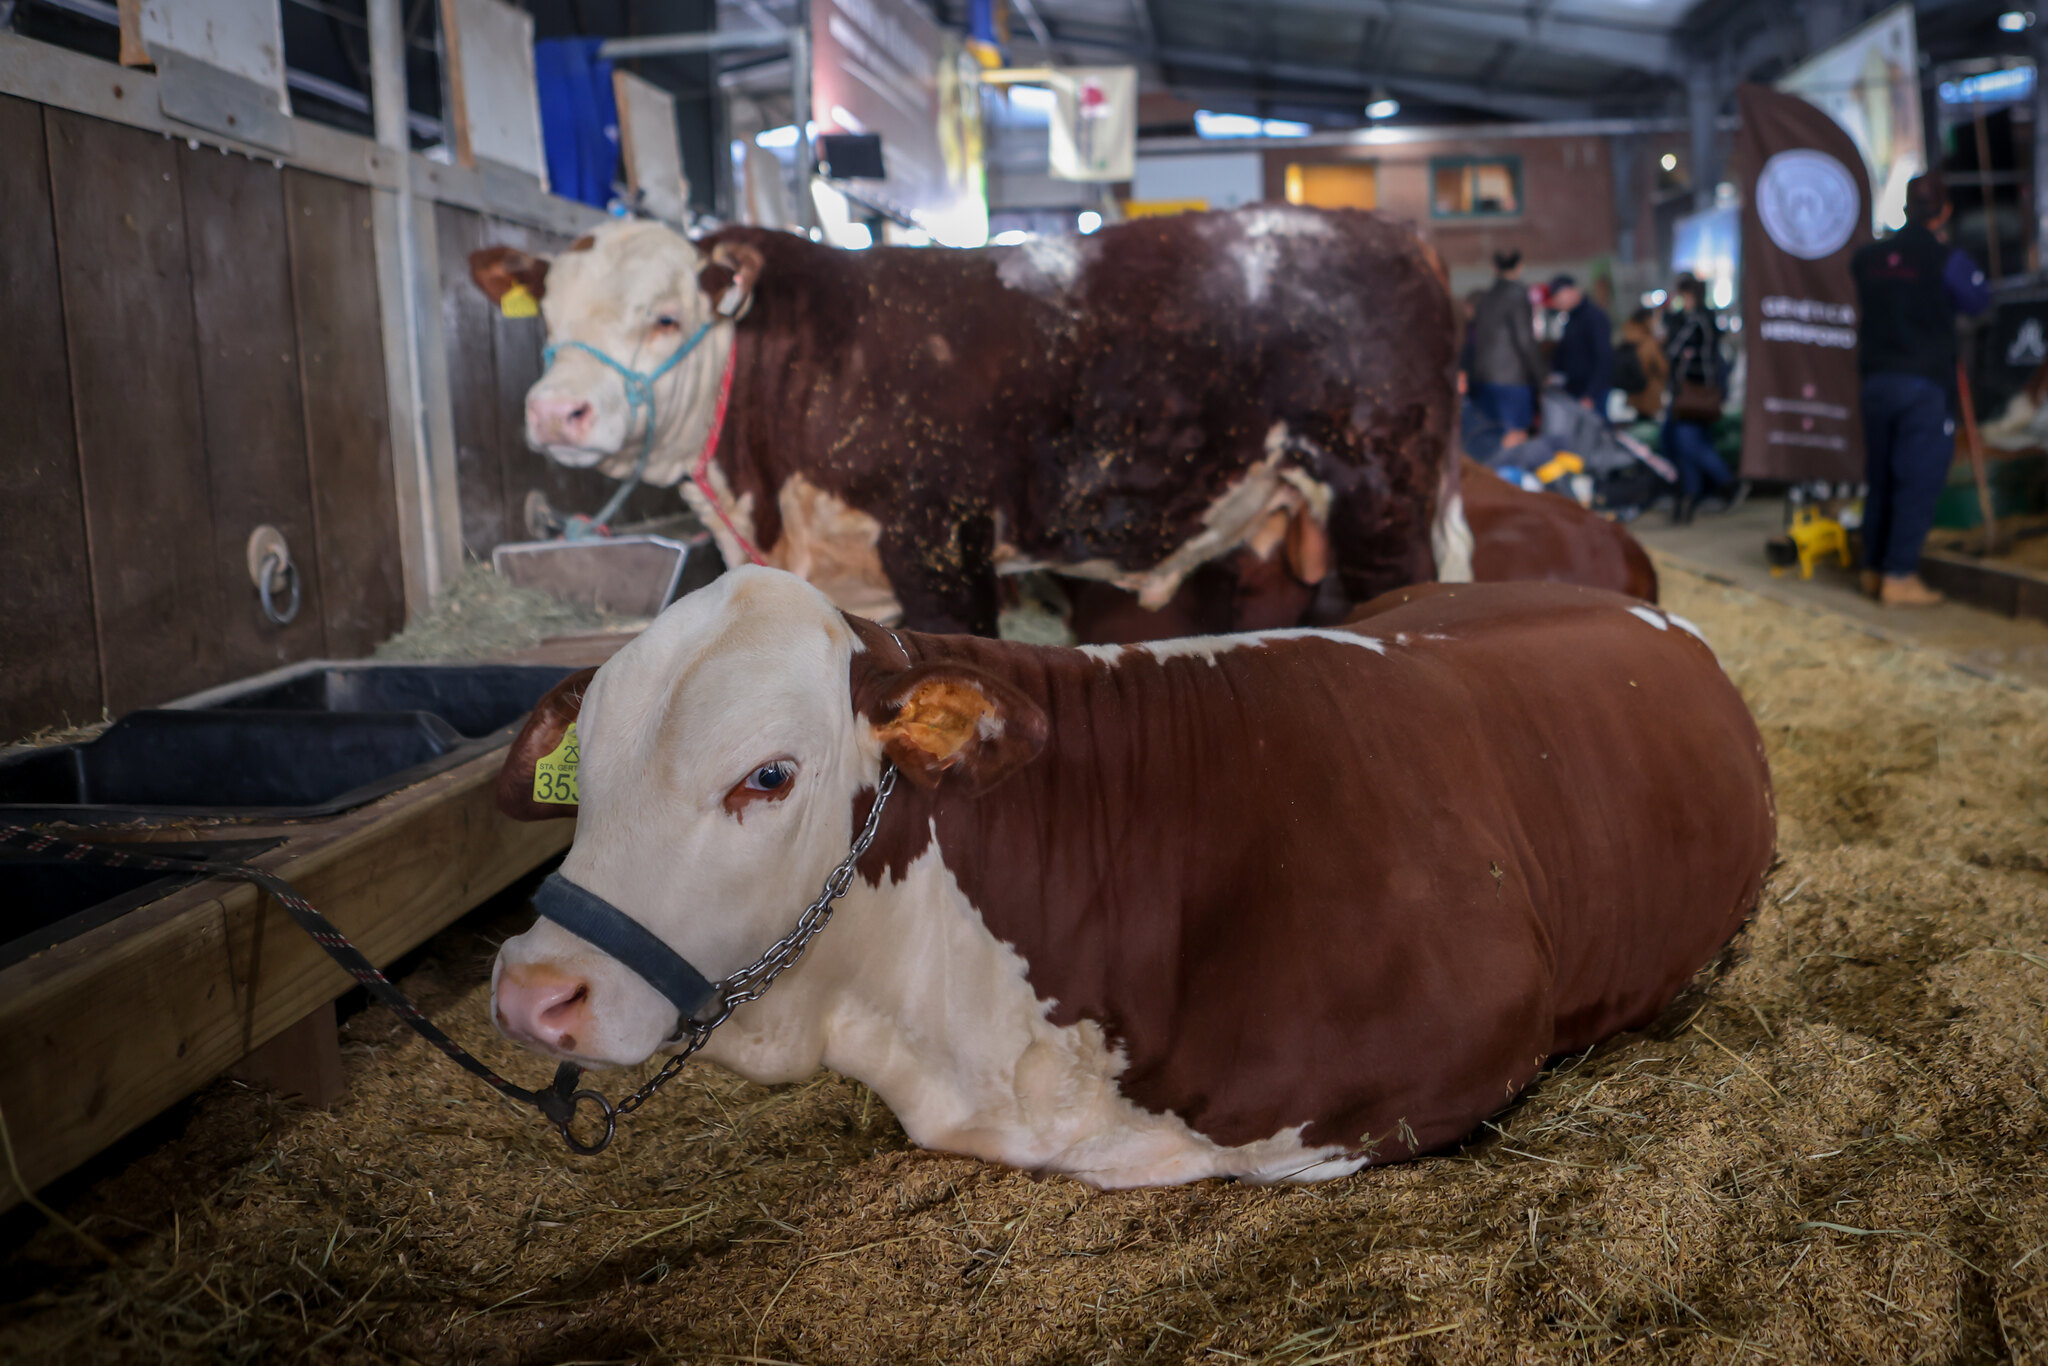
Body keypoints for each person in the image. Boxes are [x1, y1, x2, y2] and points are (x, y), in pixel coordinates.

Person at [1851, 174, 1994, 606]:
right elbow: (1979, 302)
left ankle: (1873, 570)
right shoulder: (1946, 259)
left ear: (1906, 208)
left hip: (1875, 382)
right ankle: (1899, 576)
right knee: (1916, 479)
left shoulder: (1867, 258)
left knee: (1881, 478)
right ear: (1944, 211)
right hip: (1922, 384)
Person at [1661, 274, 1738, 523]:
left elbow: (1671, 350)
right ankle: (1690, 498)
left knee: (1689, 445)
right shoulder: (1709, 319)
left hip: (1692, 394)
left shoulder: (1695, 321)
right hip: (1704, 394)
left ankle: (1726, 482)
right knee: (1692, 445)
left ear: (1688, 295)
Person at [1467, 249, 1545, 437]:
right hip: (1512, 378)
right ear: (1520, 267)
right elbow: (1524, 339)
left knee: (1492, 435)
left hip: (1484, 376)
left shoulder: (1484, 297)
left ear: (1494, 268)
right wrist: (1540, 375)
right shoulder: (1518, 295)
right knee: (1515, 436)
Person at [1547, 274, 1613, 411]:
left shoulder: (1594, 317)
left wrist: (1591, 394)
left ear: (1572, 291)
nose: (1556, 302)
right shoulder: (1570, 319)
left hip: (1592, 392)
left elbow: (1604, 358)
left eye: (1558, 296)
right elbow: (1565, 352)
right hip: (1574, 390)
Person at [1616, 307, 1668, 420]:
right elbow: (1663, 368)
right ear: (1647, 320)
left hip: (1631, 394)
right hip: (1649, 394)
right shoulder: (1648, 342)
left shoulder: (1627, 336)